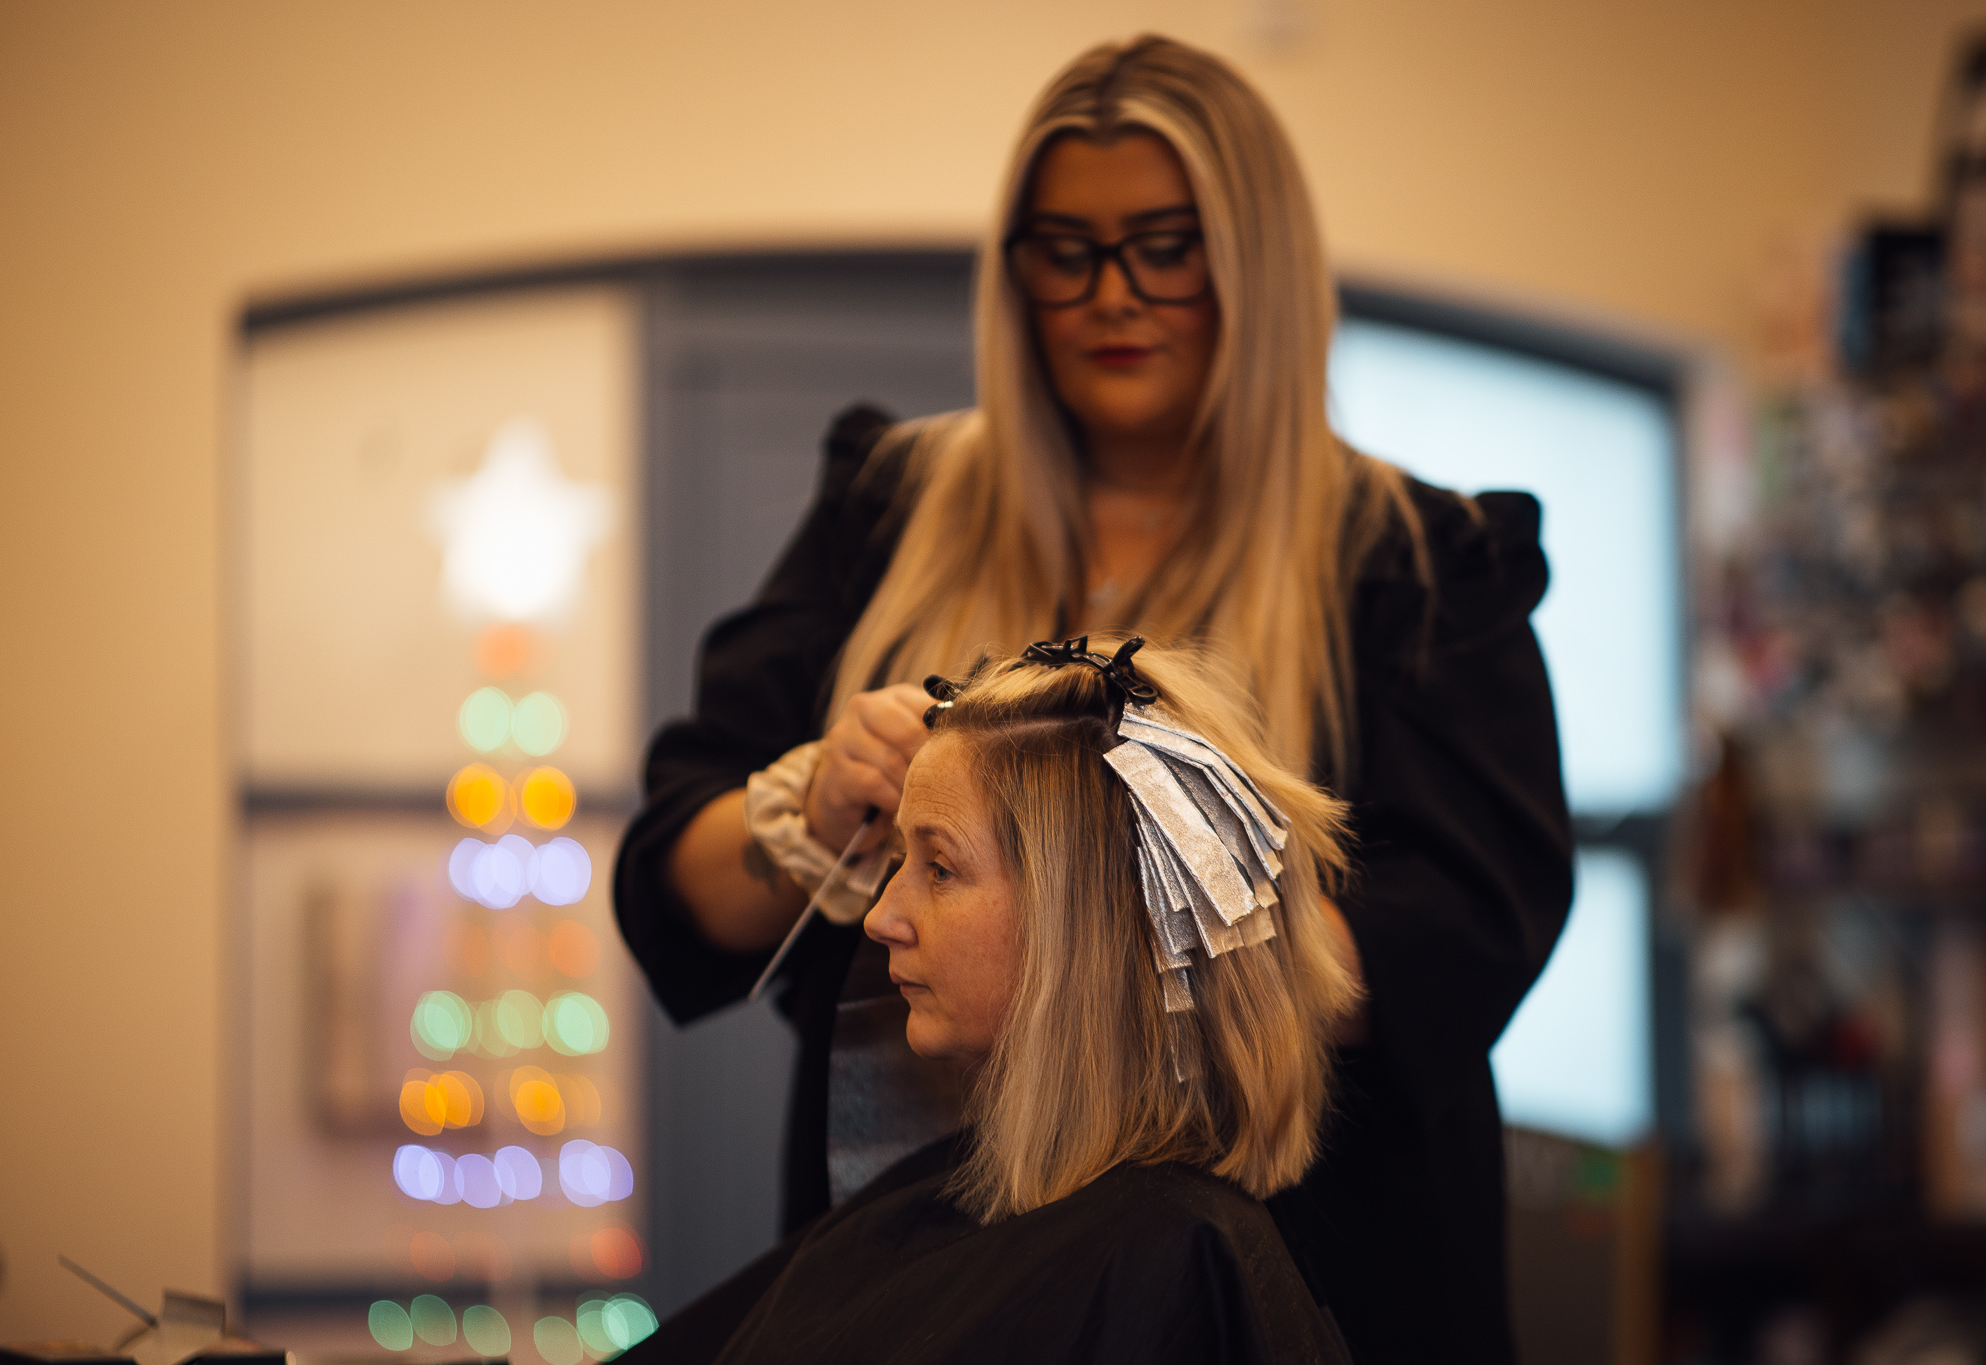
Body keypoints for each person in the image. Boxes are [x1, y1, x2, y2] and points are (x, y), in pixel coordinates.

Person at [615, 33, 1573, 1365]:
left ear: (1256, 264)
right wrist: (808, 808)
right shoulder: (888, 506)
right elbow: (673, 885)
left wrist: (1107, 934)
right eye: (1062, 252)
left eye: (1164, 246)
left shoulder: (1415, 565)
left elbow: (1463, 929)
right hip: (926, 1254)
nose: (1109, 295)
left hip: (1302, 1259)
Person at [631, 639, 1358, 1365]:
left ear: (1086, 923)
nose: (882, 917)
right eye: (898, 863)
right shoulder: (992, 1210)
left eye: (939, 868)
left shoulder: (1165, 1270)